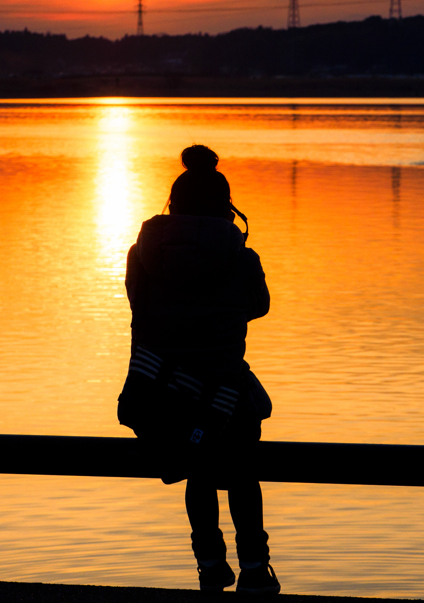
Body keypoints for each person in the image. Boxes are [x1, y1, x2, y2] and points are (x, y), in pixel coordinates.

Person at [121, 144, 279, 595]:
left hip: (162, 391)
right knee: (243, 474)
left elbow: (139, 305)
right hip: (224, 393)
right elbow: (259, 307)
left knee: (199, 473)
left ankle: (209, 565)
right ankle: (254, 569)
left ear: (174, 204)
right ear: (225, 206)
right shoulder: (242, 258)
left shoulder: (141, 255)